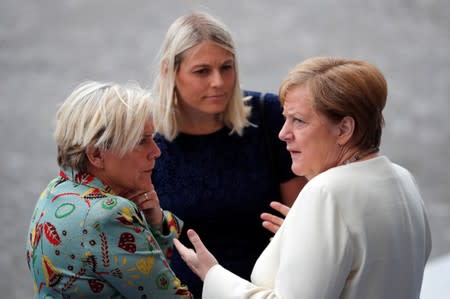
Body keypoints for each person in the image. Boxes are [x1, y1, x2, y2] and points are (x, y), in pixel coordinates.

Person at [174, 56, 433, 298]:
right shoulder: (403, 180)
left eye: (298, 121)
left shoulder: (326, 193)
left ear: (344, 129)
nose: (283, 133)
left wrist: (213, 275)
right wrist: (298, 236)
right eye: (285, 119)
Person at [150, 12, 306, 298]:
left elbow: (300, 218)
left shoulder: (268, 116)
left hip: (263, 292)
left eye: (226, 67)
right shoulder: (147, 136)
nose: (219, 82)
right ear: (169, 72)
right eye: (202, 71)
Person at [25, 81, 192, 298]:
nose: (156, 151)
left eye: (153, 138)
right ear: (96, 155)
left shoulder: (54, 191)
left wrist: (154, 223)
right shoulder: (108, 214)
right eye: (141, 141)